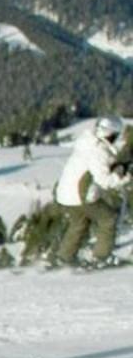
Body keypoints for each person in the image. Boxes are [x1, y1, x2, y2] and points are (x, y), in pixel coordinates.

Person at [49, 115, 127, 268]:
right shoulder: (98, 150)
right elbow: (104, 180)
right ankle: (101, 257)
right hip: (80, 195)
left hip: (66, 194)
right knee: (108, 218)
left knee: (79, 223)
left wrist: (116, 166)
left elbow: (100, 165)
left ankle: (64, 258)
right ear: (110, 134)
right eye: (115, 135)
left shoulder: (87, 143)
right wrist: (124, 178)